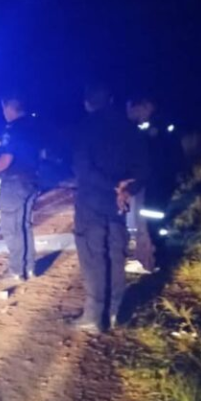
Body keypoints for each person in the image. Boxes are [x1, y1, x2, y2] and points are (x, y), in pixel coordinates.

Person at [71, 83, 148, 333]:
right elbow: (142, 169)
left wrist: (113, 186)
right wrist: (126, 190)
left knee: (93, 256)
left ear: (87, 103)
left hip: (91, 202)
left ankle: (94, 315)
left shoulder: (85, 127)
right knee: (116, 254)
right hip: (118, 204)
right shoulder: (129, 128)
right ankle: (115, 312)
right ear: (112, 100)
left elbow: (83, 169)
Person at [0, 92, 42, 283]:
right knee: (24, 225)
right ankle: (30, 268)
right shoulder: (33, 126)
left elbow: (7, 157)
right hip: (32, 180)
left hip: (14, 183)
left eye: (4, 108)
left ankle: (17, 270)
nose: (3, 112)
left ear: (9, 107)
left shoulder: (12, 129)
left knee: (11, 227)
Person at [125, 96, 184, 272]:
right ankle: (154, 257)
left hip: (156, 182)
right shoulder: (161, 124)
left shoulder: (155, 129)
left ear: (144, 107)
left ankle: (155, 260)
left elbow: (152, 158)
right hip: (162, 181)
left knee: (152, 220)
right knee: (156, 220)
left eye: (133, 111)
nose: (131, 115)